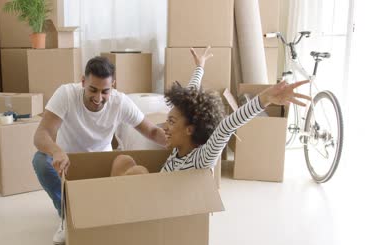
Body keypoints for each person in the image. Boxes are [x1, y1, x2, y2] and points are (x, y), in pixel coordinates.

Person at [110, 47, 310, 176]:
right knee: (123, 160)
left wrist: (264, 99)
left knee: (137, 171)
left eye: (171, 121)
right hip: (157, 195)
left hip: (167, 213)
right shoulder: (178, 151)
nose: (165, 126)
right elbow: (190, 95)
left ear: (189, 129)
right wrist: (200, 67)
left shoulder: (202, 158)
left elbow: (226, 126)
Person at [32, 56, 167, 245]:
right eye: (92, 90)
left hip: (100, 161)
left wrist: (179, 143)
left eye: (105, 91)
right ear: (83, 82)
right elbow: (41, 134)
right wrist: (56, 151)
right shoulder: (66, 94)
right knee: (40, 161)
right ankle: (67, 215)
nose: (98, 98)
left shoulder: (120, 102)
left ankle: (96, 213)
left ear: (113, 85)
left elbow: (152, 131)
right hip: (68, 161)